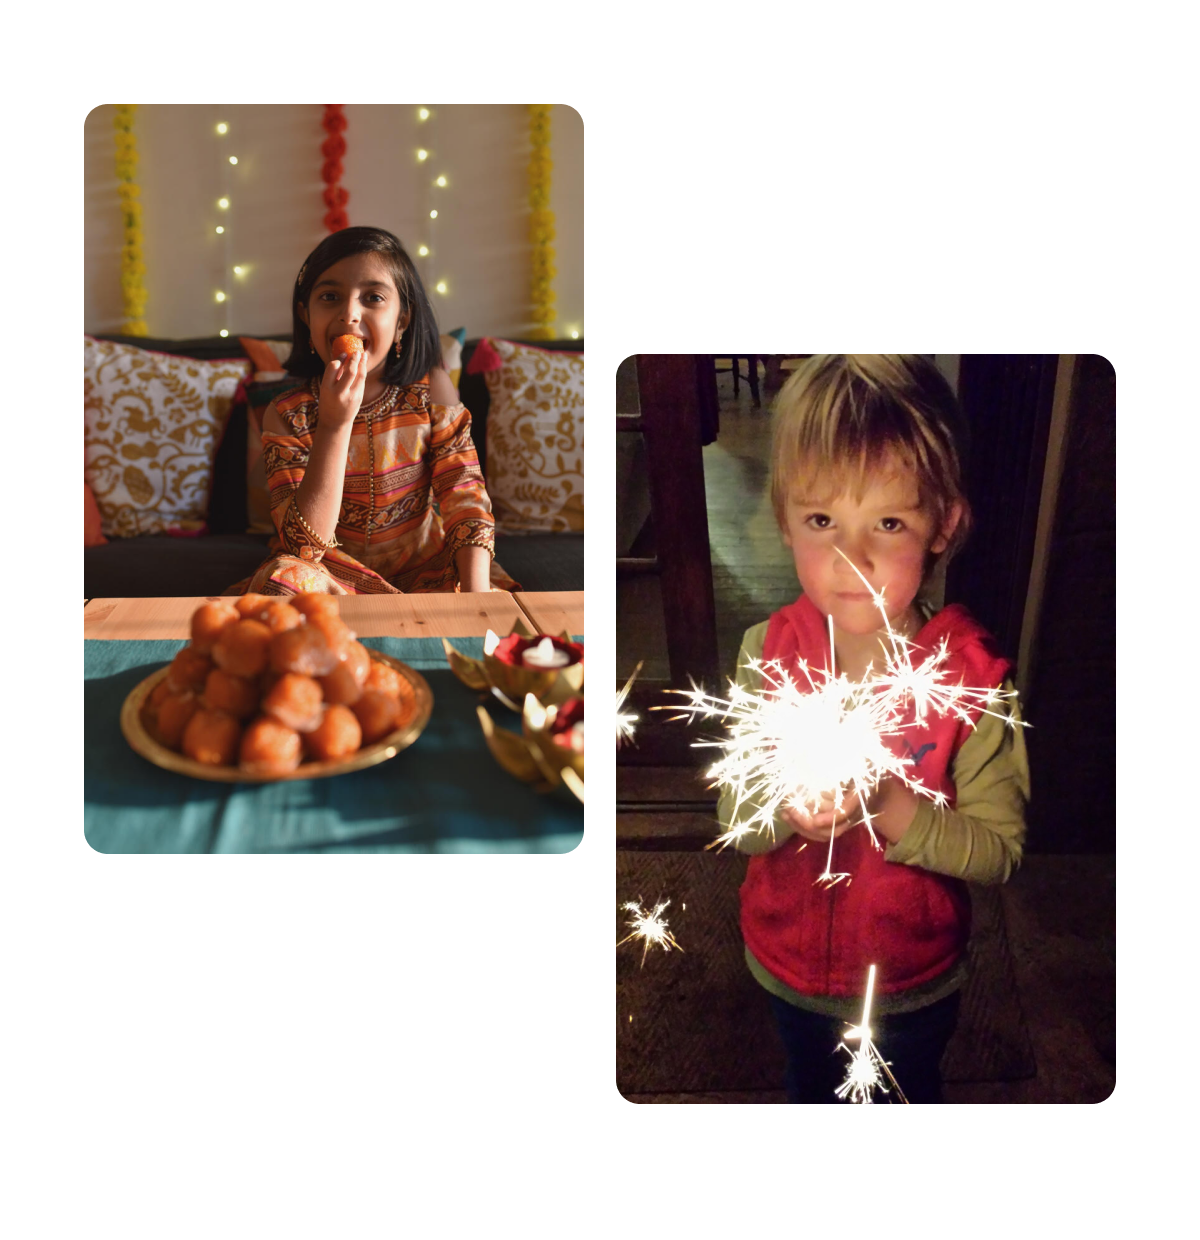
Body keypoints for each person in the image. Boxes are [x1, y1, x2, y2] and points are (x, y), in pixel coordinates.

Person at [721, 354, 1030, 1104]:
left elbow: (1000, 851)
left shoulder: (975, 683)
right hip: (787, 970)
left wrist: (894, 805)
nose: (848, 558)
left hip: (912, 989)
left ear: (943, 525)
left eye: (887, 522)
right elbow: (733, 816)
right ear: (784, 519)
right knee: (808, 1085)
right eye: (822, 519)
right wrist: (781, 803)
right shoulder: (766, 655)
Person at [223, 226, 521, 596]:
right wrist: (334, 424)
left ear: (402, 321)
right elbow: (304, 546)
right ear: (305, 315)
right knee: (281, 581)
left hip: (429, 572)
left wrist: (477, 598)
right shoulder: (286, 414)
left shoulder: (431, 391)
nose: (349, 313)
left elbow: (466, 497)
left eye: (373, 297)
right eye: (330, 296)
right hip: (331, 576)